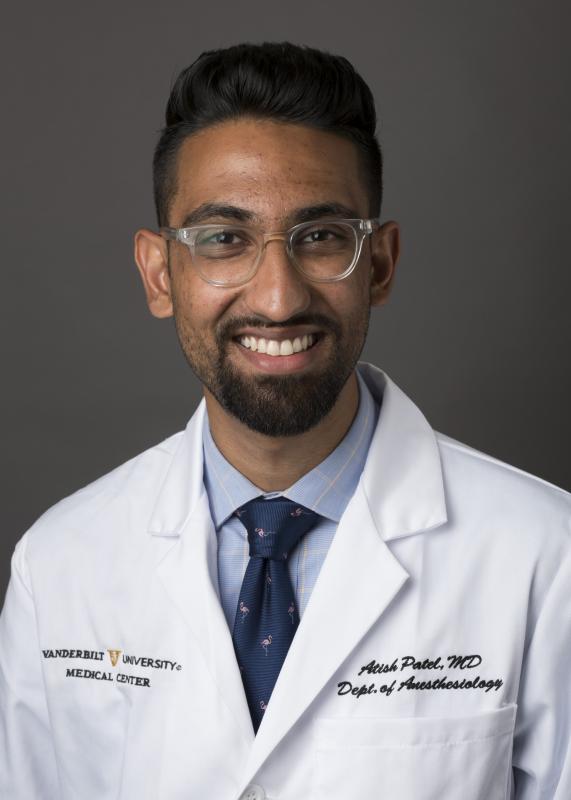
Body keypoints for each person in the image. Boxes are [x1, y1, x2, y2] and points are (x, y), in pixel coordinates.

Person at [0, 41, 569, 800]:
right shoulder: (59, 566)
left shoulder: (545, 556)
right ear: (159, 274)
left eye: (322, 236)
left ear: (379, 264)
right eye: (223, 239)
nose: (277, 298)